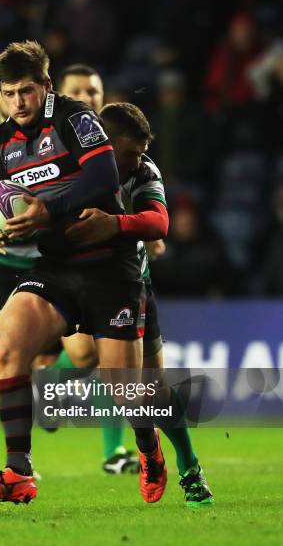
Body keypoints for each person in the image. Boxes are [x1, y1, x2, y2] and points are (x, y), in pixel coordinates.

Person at [0, 41, 165, 506]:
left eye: (27, 91)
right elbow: (6, 201)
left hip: (109, 266)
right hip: (55, 265)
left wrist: (44, 209)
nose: (19, 102)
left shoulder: (76, 119)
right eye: (9, 93)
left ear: (46, 87)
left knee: (124, 388)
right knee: (6, 342)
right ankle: (18, 473)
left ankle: (150, 448)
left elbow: (102, 180)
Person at [66, 102, 213, 507]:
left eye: (143, 150)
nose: (139, 159)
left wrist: (112, 224)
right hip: (74, 283)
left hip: (132, 286)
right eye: (130, 152)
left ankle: (187, 468)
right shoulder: (69, 164)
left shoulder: (144, 172)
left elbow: (158, 222)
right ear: (104, 145)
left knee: (151, 390)